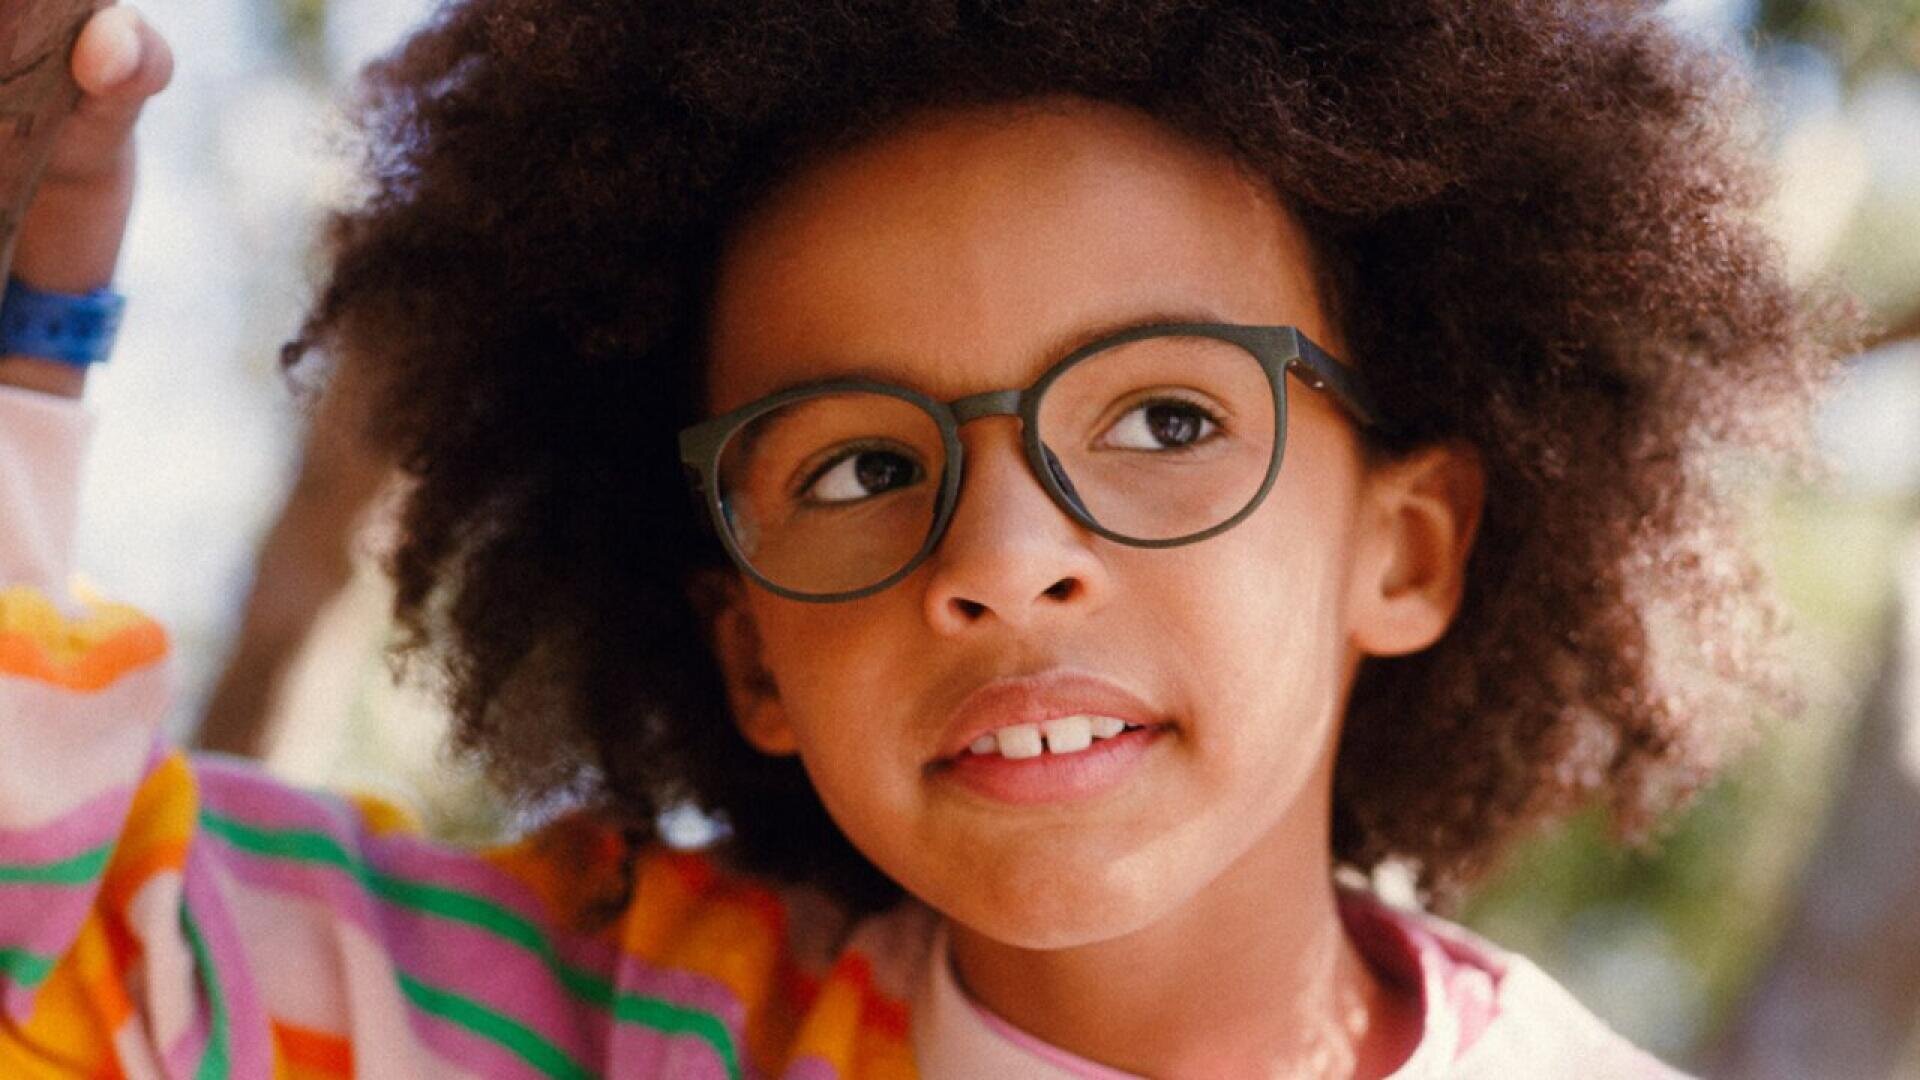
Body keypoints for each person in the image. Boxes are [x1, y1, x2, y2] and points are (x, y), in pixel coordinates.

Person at [0, 1, 1843, 1076]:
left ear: (1410, 548)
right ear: (750, 651)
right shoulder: (597, 1025)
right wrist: (31, 340)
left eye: (1167, 421)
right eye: (860, 467)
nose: (1004, 557)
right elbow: (57, 939)